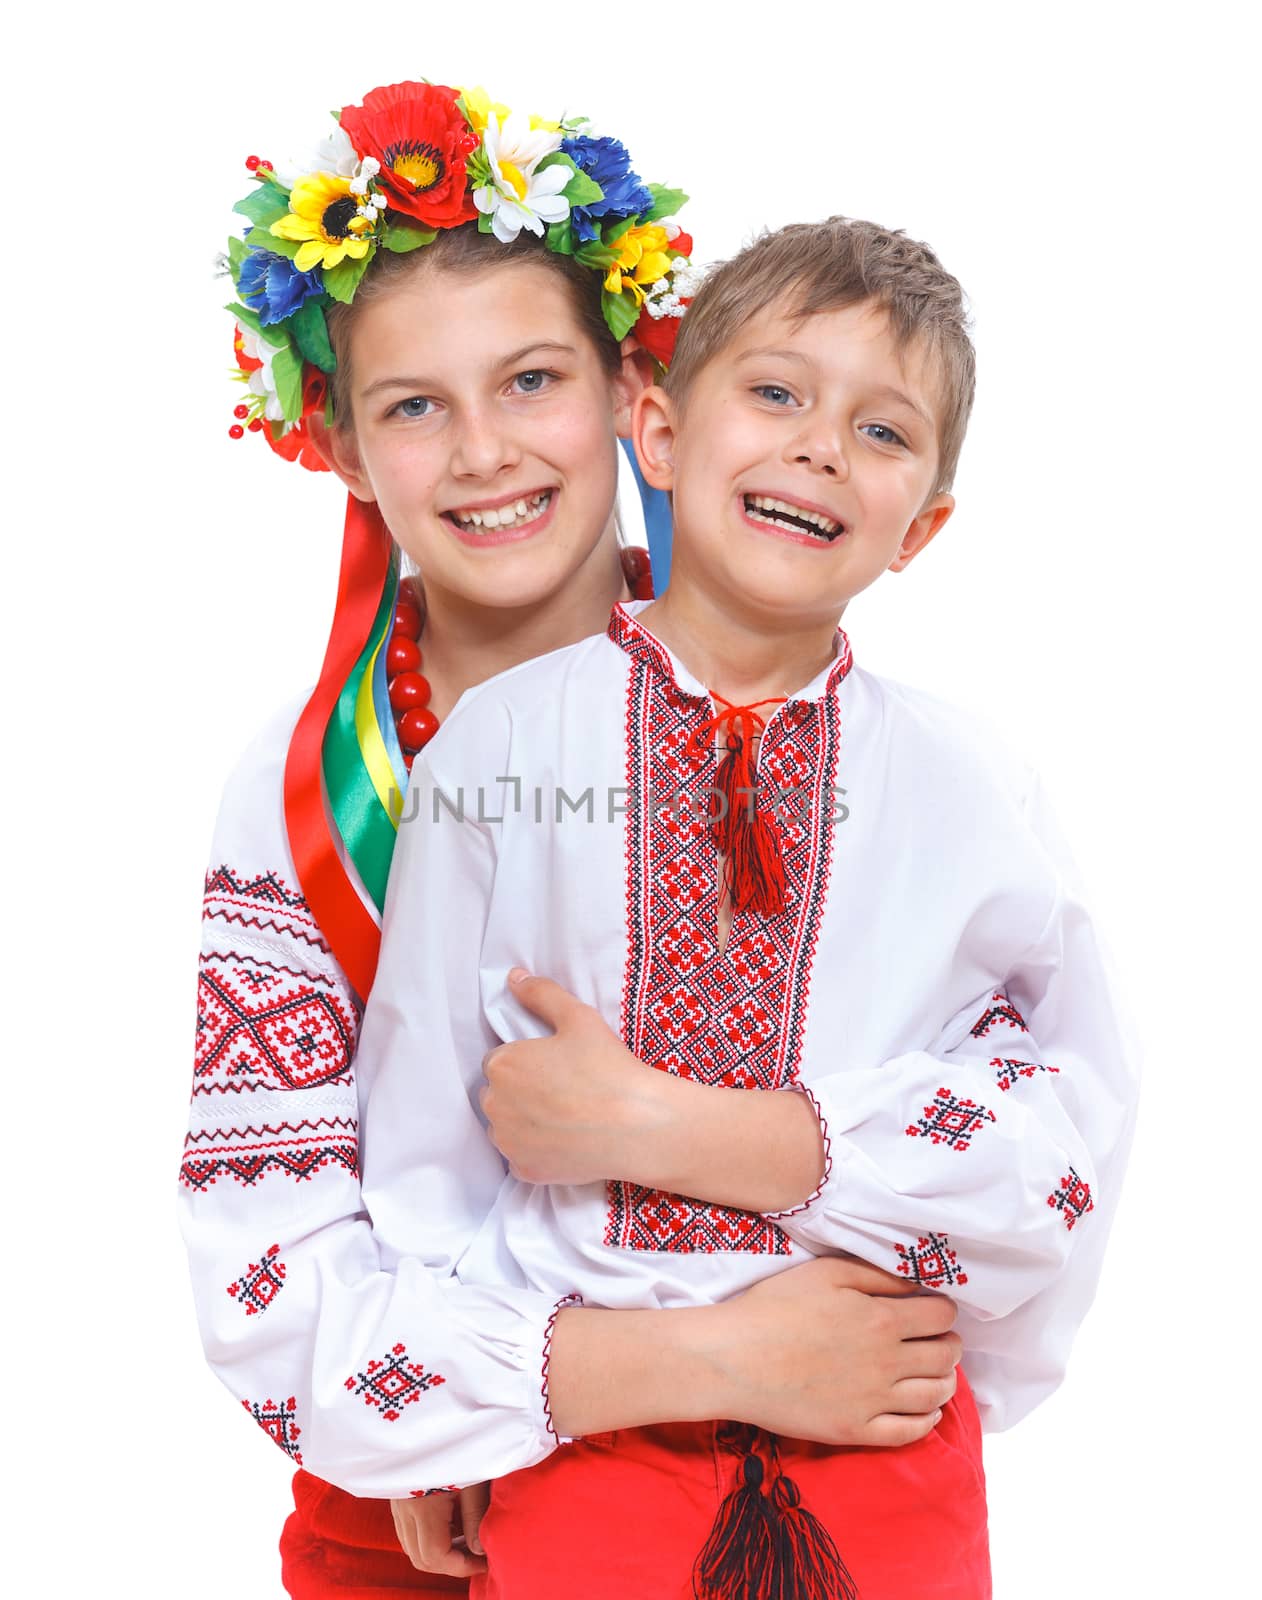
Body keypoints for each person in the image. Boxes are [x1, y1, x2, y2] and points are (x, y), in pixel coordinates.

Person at [180, 84, 966, 1598]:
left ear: (629, 392)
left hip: (790, 1469)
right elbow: (265, 1270)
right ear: (339, 447)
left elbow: (957, 1110)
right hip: (425, 1496)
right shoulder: (308, 798)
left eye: (530, 380)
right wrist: (622, 1370)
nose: (482, 451)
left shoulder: (791, 705)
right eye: (413, 405)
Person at [350, 217, 1139, 1598]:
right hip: (581, 1436)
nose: (818, 445)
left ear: (923, 528)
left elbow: (1067, 1124)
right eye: (774, 393)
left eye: (881, 431)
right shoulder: (500, 746)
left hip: (884, 1438)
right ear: (652, 433)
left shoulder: (967, 786)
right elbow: (424, 1110)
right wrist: (438, 1422)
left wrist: (954, 1364)